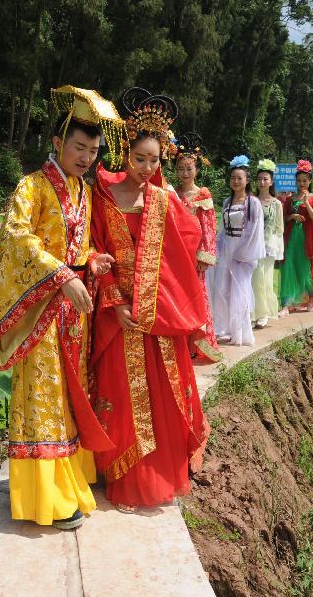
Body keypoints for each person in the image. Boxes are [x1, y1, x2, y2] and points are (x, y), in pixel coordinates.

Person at [0, 85, 119, 528]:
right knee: (42, 401)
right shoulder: (32, 187)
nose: (86, 157)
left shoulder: (85, 191)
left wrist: (90, 261)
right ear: (57, 143)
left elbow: (77, 244)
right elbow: (18, 240)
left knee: (67, 399)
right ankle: (46, 498)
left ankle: (69, 480)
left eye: (93, 150)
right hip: (41, 312)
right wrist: (61, 275)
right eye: (79, 147)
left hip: (72, 316)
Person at [90, 86, 208, 511]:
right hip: (119, 314)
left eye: (155, 160)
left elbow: (184, 250)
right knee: (123, 397)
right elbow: (93, 249)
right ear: (125, 154)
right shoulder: (102, 196)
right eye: (140, 158)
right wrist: (115, 302)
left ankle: (158, 477)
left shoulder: (164, 200)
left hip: (157, 317)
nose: (146, 167)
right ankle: (125, 478)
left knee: (161, 399)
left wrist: (165, 298)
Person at [208, 155, 265, 346]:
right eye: (233, 178)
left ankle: (239, 332)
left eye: (240, 178)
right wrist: (217, 248)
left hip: (243, 253)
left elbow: (255, 231)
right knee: (222, 288)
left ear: (247, 180)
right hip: (226, 250)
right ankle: (222, 328)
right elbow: (223, 229)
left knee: (239, 292)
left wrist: (245, 254)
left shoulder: (253, 203)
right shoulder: (226, 202)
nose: (236, 181)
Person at [174, 132, 220, 362]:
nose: (185, 173)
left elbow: (209, 226)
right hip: (178, 255)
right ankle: (182, 343)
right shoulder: (173, 194)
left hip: (195, 256)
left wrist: (204, 255)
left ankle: (197, 343)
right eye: (181, 168)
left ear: (197, 170)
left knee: (197, 297)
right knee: (180, 298)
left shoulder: (203, 194)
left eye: (189, 168)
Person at [279, 160, 313, 313]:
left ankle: (311, 299)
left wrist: (307, 203)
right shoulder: (290, 199)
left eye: (305, 180)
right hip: (291, 237)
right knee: (288, 268)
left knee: (305, 268)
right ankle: (286, 303)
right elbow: (283, 218)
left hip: (305, 239)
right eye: (299, 180)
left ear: (310, 181)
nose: (302, 183)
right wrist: (293, 216)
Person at [252, 159, 284, 327]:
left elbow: (280, 228)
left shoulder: (277, 203)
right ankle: (253, 312)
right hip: (252, 246)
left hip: (268, 246)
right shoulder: (251, 201)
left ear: (271, 181)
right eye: (259, 179)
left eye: (265, 179)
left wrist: (275, 246)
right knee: (253, 280)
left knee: (264, 279)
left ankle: (263, 313)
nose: (262, 182)